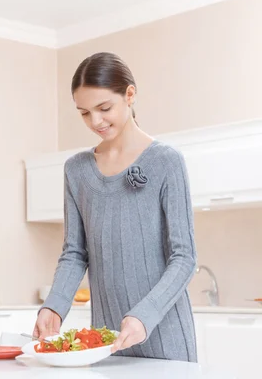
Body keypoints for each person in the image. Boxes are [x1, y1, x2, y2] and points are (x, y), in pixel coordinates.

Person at [33, 52, 198, 362]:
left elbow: (184, 257)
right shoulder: (77, 170)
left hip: (166, 337)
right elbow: (74, 253)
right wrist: (53, 306)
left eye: (104, 108)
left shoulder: (166, 162)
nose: (95, 122)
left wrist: (143, 315)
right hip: (105, 342)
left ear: (130, 95)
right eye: (84, 112)